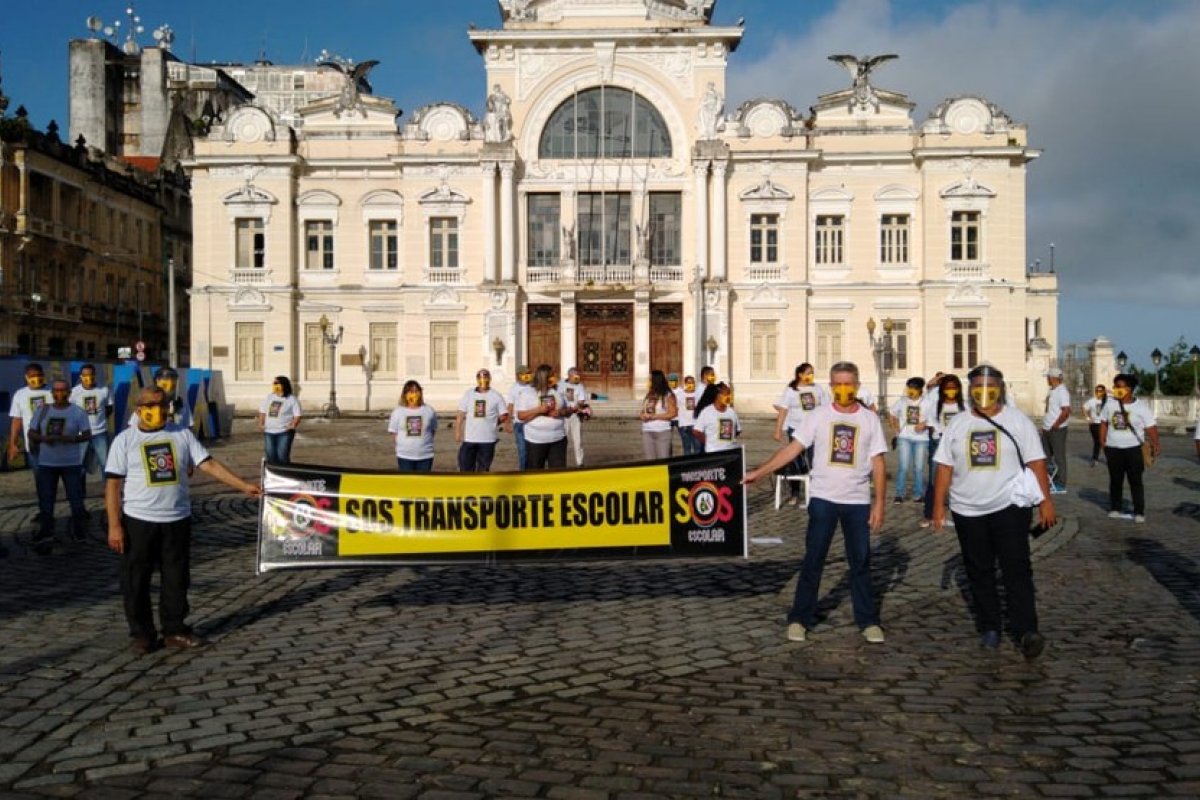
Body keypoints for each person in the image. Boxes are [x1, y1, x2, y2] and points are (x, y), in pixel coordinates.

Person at [107, 386, 260, 654]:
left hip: (177, 518)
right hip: (139, 520)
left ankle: (175, 629)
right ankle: (142, 634)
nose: (158, 410)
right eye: (152, 405)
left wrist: (243, 485)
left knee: (176, 578)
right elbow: (112, 486)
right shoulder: (124, 440)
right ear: (139, 410)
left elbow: (208, 464)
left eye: (162, 404)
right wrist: (114, 525)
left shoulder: (181, 435)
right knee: (136, 580)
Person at [744, 362, 888, 644]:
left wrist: (879, 503)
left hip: (857, 500)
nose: (844, 389)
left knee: (860, 562)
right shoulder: (819, 416)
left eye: (849, 383)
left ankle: (868, 620)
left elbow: (879, 463)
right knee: (813, 560)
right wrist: (760, 472)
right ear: (831, 387)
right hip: (823, 498)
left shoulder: (870, 420)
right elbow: (792, 448)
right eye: (838, 384)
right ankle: (799, 618)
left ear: (857, 386)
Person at [931, 363, 1055, 657]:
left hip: (1009, 505)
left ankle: (1026, 629)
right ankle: (990, 626)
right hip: (967, 508)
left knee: (1016, 566)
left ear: (1000, 389)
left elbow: (1036, 463)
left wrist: (1045, 502)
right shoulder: (958, 424)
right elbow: (945, 467)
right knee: (979, 570)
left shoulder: (1018, 421)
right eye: (977, 387)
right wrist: (938, 505)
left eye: (989, 387)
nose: (983, 392)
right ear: (969, 390)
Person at [28, 379, 91, 550]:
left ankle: (79, 533)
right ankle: (46, 532)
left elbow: (87, 435)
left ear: (69, 393)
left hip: (71, 463)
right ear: (52, 393)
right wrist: (43, 438)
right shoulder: (42, 411)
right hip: (47, 463)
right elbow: (31, 433)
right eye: (56, 390)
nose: (59, 393)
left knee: (76, 501)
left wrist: (70, 438)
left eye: (63, 390)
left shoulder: (77, 412)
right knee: (46, 501)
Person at [1099, 373, 1159, 524]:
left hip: (1134, 449)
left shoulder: (1141, 407)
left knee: (1135, 481)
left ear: (1129, 389)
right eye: (1115, 386)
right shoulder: (1110, 404)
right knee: (1115, 480)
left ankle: (1139, 511)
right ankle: (1115, 508)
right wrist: (1102, 440)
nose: (1116, 389)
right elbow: (1104, 422)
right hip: (1113, 448)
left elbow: (1151, 427)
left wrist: (1156, 443)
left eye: (1120, 387)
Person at [772, 363, 826, 505]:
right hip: (796, 430)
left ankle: (816, 492)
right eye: (808, 373)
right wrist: (778, 430)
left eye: (812, 373)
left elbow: (826, 409)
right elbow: (783, 411)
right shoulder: (791, 391)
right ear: (800, 375)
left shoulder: (818, 389)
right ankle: (795, 493)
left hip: (815, 432)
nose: (811, 376)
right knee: (795, 461)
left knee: (815, 460)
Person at [919, 374, 965, 527]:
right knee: (934, 479)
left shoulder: (964, 406)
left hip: (959, 446)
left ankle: (958, 514)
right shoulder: (936, 405)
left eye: (953, 388)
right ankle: (929, 514)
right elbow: (932, 424)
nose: (950, 391)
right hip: (939, 443)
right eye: (947, 388)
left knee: (958, 480)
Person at [70, 363, 114, 494]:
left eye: (91, 375)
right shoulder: (74, 392)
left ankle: (108, 491)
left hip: (100, 433)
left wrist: (99, 421)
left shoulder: (104, 390)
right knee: (79, 465)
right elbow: (71, 412)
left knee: (105, 464)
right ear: (81, 377)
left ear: (95, 375)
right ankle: (79, 492)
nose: (89, 378)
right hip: (81, 434)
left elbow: (109, 407)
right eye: (85, 375)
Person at [8, 362, 52, 489]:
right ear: (26, 377)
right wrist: (13, 444)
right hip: (33, 444)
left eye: (39, 375)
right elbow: (16, 421)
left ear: (43, 375)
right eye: (32, 376)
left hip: (53, 442)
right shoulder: (20, 395)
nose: (36, 378)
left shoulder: (52, 392)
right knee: (39, 476)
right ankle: (45, 504)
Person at [516, 364, 569, 469]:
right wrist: (538, 410)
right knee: (535, 472)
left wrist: (560, 412)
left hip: (558, 439)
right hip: (536, 441)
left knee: (558, 474)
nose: (554, 378)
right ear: (543, 378)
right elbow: (520, 416)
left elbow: (567, 410)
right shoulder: (527, 393)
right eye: (551, 376)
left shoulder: (558, 391)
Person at [455, 368, 508, 472]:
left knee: (483, 470)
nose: (483, 379)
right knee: (465, 467)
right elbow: (461, 413)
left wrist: (494, 422)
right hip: (470, 439)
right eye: (481, 377)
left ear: (490, 379)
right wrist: (457, 431)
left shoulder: (496, 395)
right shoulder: (469, 394)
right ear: (477, 379)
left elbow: (504, 415)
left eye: (486, 377)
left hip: (487, 440)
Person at [889, 377, 929, 505]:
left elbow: (934, 418)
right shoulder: (902, 401)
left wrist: (925, 424)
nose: (910, 391)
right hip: (905, 437)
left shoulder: (927, 402)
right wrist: (896, 429)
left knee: (919, 468)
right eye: (909, 388)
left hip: (921, 439)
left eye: (913, 388)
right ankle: (899, 494)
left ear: (920, 390)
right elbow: (892, 413)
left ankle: (918, 494)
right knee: (903, 467)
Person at [388, 380, 438, 472]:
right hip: (405, 456)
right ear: (405, 394)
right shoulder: (398, 412)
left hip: (425, 455)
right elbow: (394, 433)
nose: (414, 394)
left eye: (416, 391)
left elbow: (432, 430)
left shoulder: (429, 410)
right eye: (411, 392)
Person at [127, 367, 193, 430]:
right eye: (164, 385)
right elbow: (132, 426)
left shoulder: (182, 405)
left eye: (172, 386)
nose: (168, 389)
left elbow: (188, 426)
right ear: (157, 381)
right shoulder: (147, 403)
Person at [257, 376, 302, 465]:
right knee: (270, 456)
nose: (275, 385)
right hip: (269, 431)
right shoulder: (270, 397)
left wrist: (293, 425)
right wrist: (260, 423)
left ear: (283, 385)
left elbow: (297, 415)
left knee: (282, 456)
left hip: (284, 432)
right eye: (274, 383)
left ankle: (284, 474)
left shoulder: (292, 399)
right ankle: (272, 475)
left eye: (277, 383)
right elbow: (262, 412)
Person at [1041, 367, 1071, 494]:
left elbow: (1066, 410)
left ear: (1053, 378)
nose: (1047, 379)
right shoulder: (1052, 390)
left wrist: (1056, 424)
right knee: (1046, 456)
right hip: (1047, 428)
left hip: (1057, 429)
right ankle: (1048, 480)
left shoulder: (1062, 391)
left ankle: (1061, 483)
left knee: (1059, 457)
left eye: (1048, 377)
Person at [692, 382, 741, 453]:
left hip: (730, 453)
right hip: (713, 453)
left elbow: (737, 430)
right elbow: (696, 431)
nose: (729, 396)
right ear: (718, 395)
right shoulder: (707, 412)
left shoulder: (731, 412)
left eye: (729, 394)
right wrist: (709, 443)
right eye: (726, 394)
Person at [640, 370, 678, 459]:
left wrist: (655, 417)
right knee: (650, 461)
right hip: (647, 431)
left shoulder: (668, 395)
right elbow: (643, 410)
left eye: (650, 379)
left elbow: (673, 413)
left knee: (663, 460)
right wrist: (642, 415)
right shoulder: (649, 395)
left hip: (662, 431)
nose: (648, 381)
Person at [562, 367, 591, 466]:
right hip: (563, 416)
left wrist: (579, 407)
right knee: (562, 439)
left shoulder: (580, 386)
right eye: (575, 375)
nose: (577, 377)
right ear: (569, 376)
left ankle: (580, 462)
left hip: (575, 416)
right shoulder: (561, 384)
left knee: (577, 440)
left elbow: (581, 401)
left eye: (578, 375)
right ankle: (561, 461)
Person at [506, 365, 533, 470]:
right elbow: (510, 406)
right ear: (518, 376)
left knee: (533, 451)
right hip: (520, 424)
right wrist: (507, 422)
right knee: (523, 451)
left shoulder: (534, 386)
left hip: (532, 423)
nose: (527, 376)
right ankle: (523, 472)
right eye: (524, 374)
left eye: (528, 373)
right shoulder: (514, 388)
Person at [674, 374, 701, 456]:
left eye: (692, 383)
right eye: (688, 383)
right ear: (685, 384)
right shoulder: (679, 395)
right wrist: (679, 424)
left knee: (697, 447)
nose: (690, 384)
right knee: (687, 448)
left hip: (696, 426)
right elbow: (676, 409)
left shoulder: (698, 395)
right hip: (684, 426)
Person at [1082, 384, 1107, 467]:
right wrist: (1088, 418)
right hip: (1095, 424)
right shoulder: (1092, 401)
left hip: (1105, 424)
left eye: (1100, 391)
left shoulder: (1108, 400)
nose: (1098, 392)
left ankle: (1109, 458)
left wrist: (1108, 392)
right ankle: (1095, 459)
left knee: (1105, 441)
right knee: (1098, 442)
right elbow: (1084, 408)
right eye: (1097, 391)